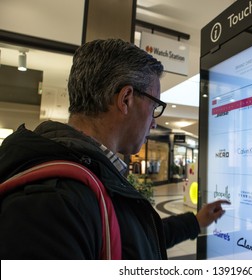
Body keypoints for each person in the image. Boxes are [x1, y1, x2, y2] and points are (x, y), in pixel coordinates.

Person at [0, 39, 229, 259]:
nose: (154, 121)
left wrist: (195, 222)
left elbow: (133, 238)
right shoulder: (51, 202)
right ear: (126, 98)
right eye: (154, 106)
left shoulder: (89, 176)